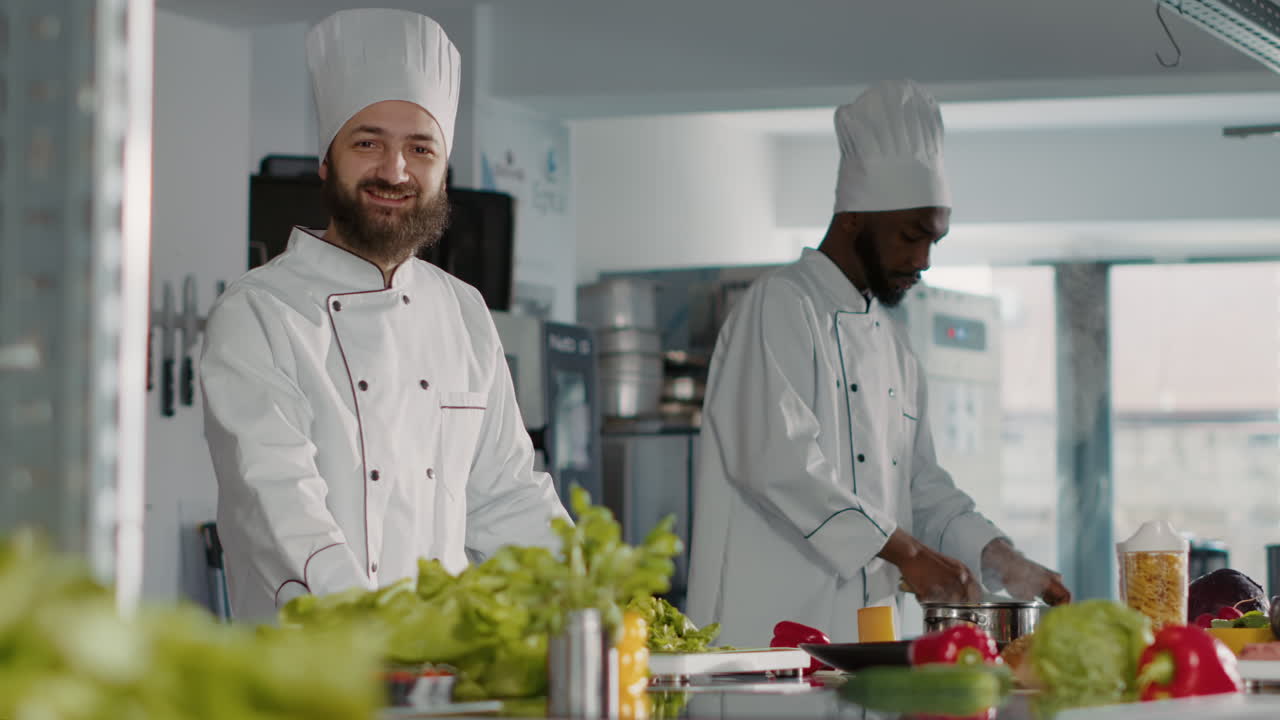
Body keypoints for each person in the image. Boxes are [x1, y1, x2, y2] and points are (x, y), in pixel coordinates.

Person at [200, 8, 567, 621]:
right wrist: (379, 632)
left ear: (442, 170)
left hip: (441, 681)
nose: (394, 171)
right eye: (368, 142)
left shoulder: (463, 311)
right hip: (311, 676)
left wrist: (604, 608)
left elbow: (508, 495)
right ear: (327, 160)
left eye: (419, 149)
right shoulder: (260, 313)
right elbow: (278, 504)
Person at [685, 79, 1070, 647]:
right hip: (764, 648)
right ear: (855, 219)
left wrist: (1003, 558)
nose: (923, 261)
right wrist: (908, 554)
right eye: (912, 237)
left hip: (872, 649)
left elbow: (922, 488)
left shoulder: (894, 345)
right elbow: (776, 459)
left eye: (935, 241)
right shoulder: (780, 305)